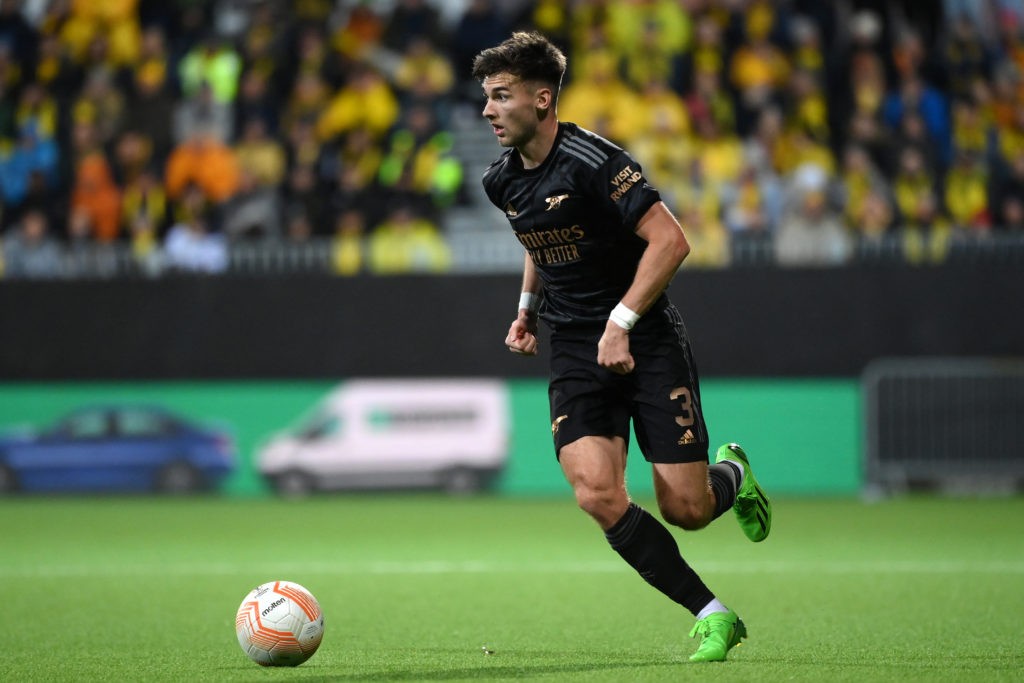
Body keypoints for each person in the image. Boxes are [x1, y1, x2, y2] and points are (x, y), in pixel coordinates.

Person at [471, 32, 772, 663]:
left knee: (686, 508)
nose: (488, 110)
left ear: (543, 99)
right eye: (486, 97)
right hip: (577, 350)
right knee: (597, 493)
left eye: (501, 96)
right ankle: (713, 614)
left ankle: (733, 474)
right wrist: (526, 311)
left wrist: (621, 322)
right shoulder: (501, 181)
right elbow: (538, 240)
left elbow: (671, 240)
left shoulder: (596, 160)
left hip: (647, 339)